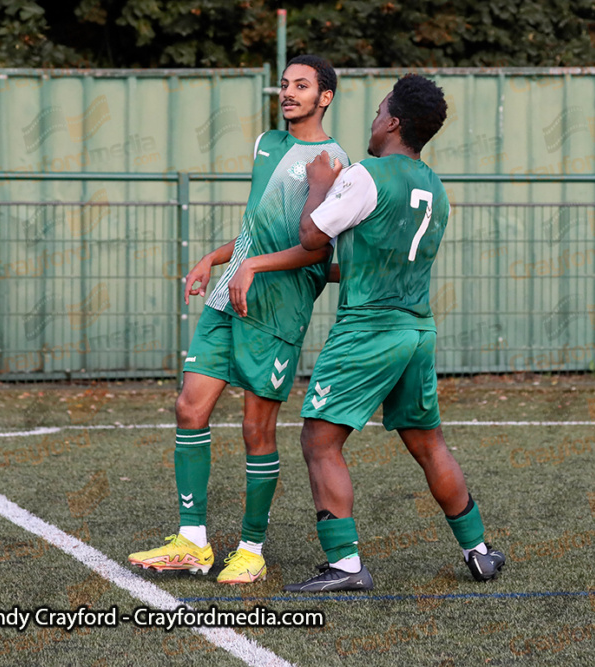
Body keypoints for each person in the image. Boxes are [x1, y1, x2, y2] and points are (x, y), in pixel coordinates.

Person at [128, 55, 349, 585]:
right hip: (228, 297)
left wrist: (251, 265)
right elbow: (257, 227)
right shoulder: (266, 145)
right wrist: (216, 257)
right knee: (189, 407)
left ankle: (251, 549)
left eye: (302, 86)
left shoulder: (335, 163)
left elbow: (317, 253)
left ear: (326, 97)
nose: (289, 92)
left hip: (277, 310)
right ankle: (192, 542)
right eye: (284, 84)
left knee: (257, 429)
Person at [283, 74, 506, 592]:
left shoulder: (366, 175)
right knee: (429, 443)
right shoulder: (435, 187)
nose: (374, 117)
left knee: (319, 439)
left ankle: (345, 565)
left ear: (394, 121)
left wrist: (320, 181)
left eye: (380, 109)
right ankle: (479, 551)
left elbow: (312, 235)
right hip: (416, 329)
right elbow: (385, 261)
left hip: (368, 329)